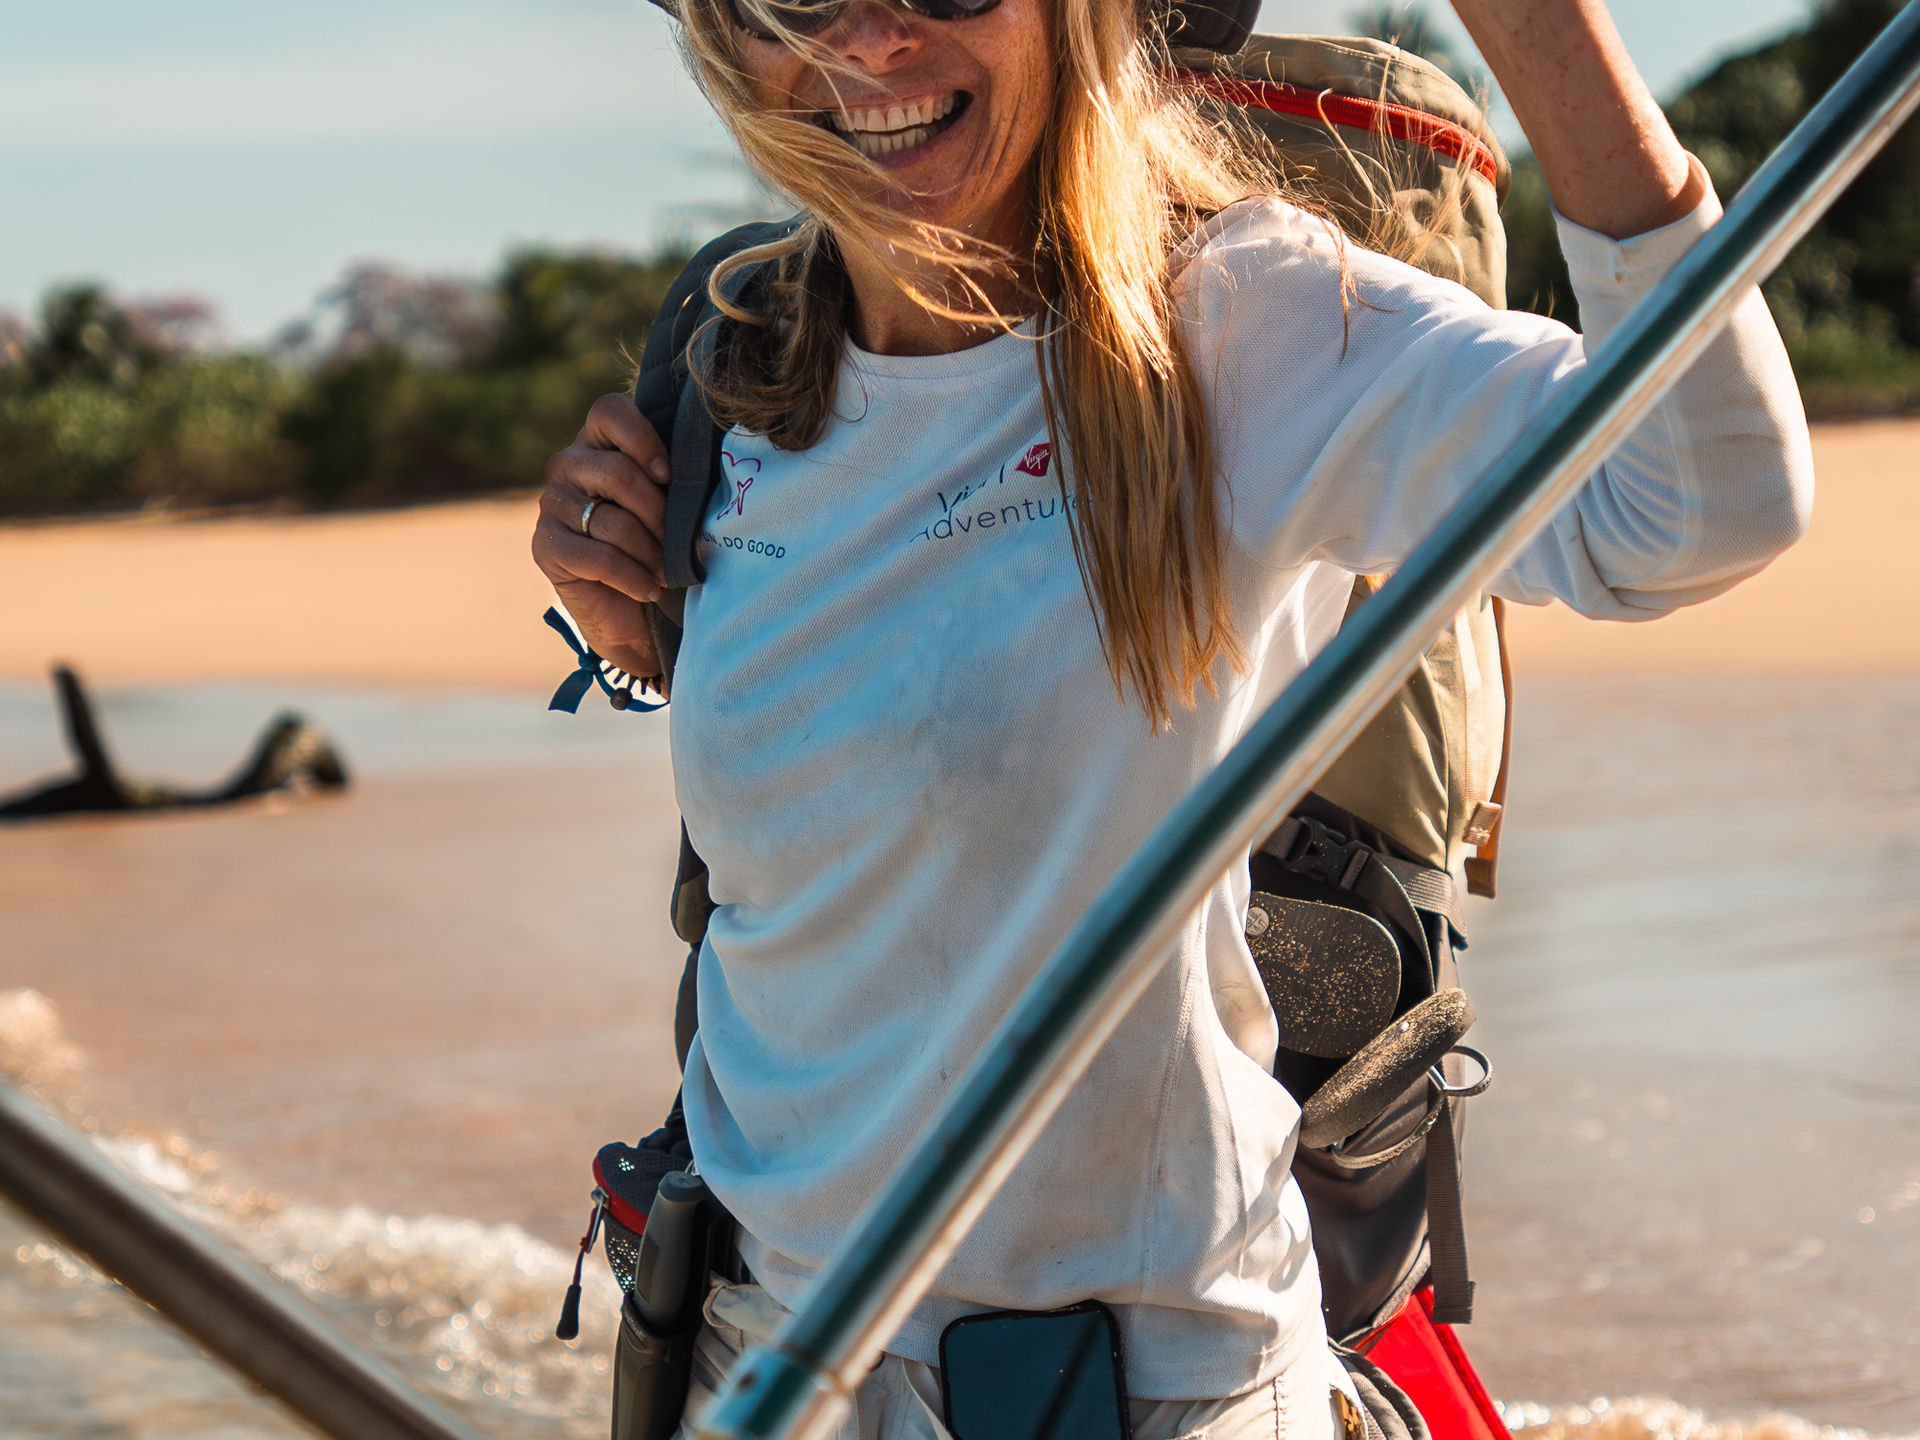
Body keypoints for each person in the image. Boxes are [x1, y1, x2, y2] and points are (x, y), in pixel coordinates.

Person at [531, 0, 1814, 1433]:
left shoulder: (1246, 326)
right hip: (762, 1367)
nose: (871, 43)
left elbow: (1702, 507)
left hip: (1149, 1389)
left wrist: (1534, 29)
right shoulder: (743, 364)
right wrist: (644, 636)